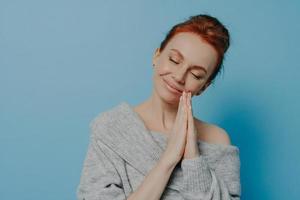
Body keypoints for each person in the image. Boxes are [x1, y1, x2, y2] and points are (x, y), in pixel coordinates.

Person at [77, 14, 241, 200]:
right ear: (157, 55)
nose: (179, 76)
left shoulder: (217, 141)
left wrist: (193, 158)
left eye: (195, 75)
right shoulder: (110, 128)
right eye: (174, 60)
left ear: (203, 87)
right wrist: (169, 158)